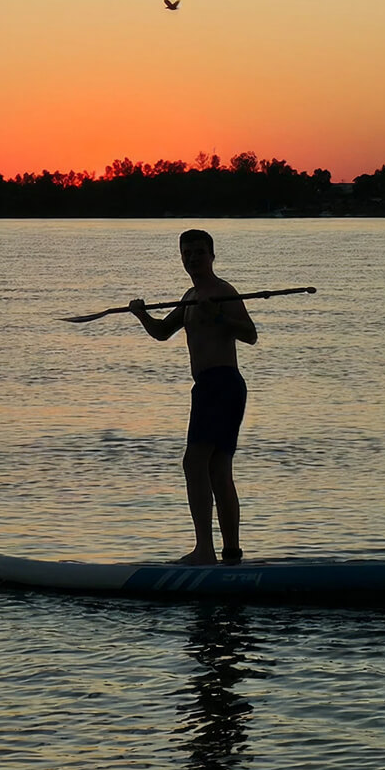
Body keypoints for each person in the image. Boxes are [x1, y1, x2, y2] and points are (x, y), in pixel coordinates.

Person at [130, 229, 258, 565]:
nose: (192, 258)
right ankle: (231, 554)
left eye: (199, 252)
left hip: (222, 383)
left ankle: (204, 551)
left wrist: (218, 315)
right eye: (186, 253)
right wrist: (141, 314)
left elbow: (250, 334)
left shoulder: (223, 291)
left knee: (194, 463)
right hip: (207, 386)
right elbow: (162, 332)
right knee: (217, 470)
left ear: (212, 255)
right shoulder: (190, 296)